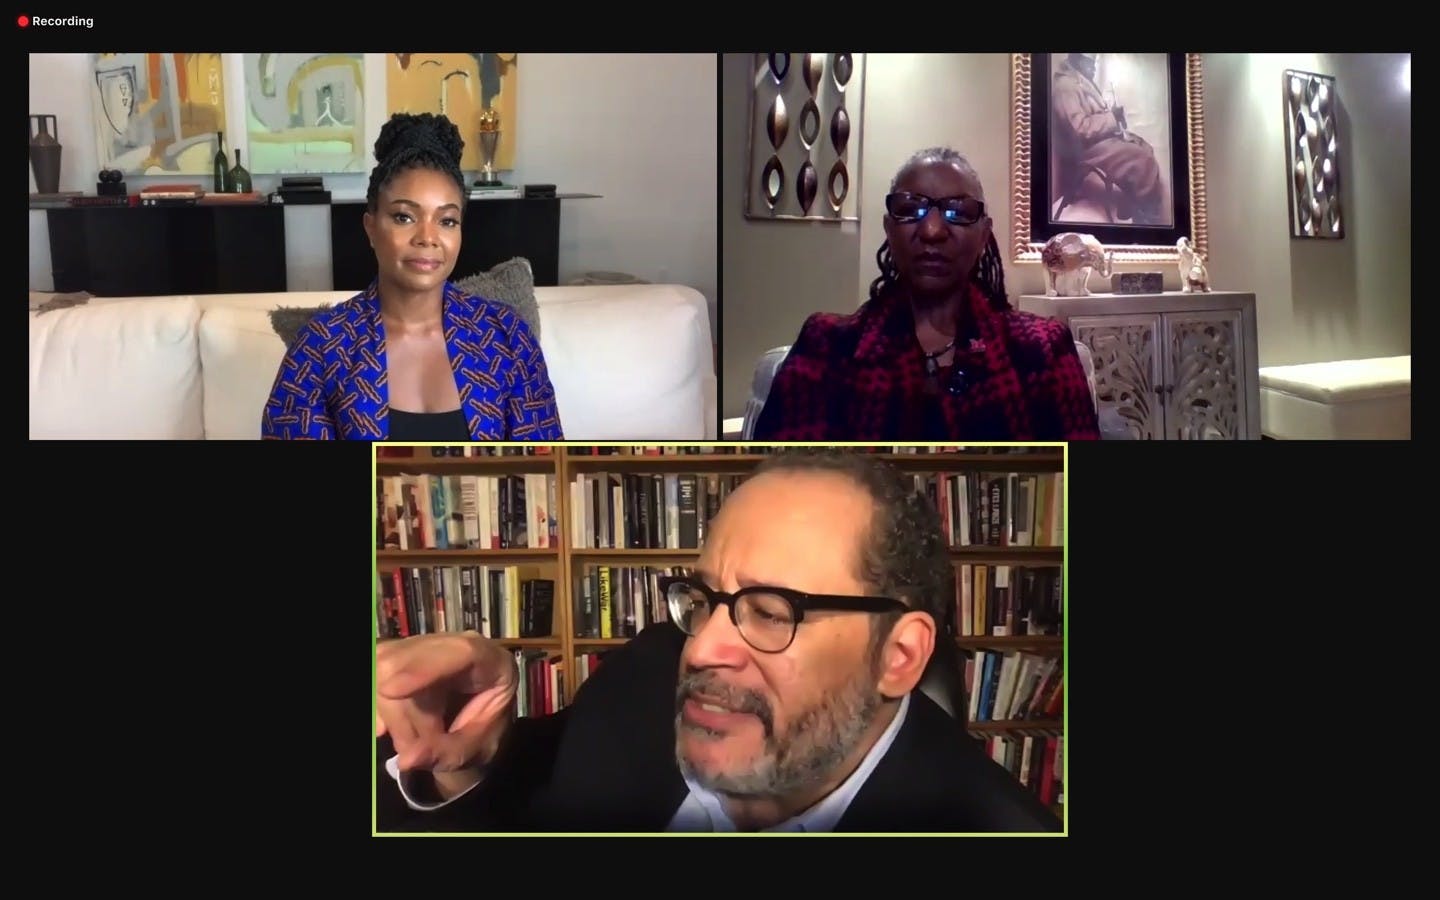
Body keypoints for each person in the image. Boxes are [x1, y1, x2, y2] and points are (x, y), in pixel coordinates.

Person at [375, 449, 1064, 833]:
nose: (702, 648)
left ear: (899, 656)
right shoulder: (644, 674)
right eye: (706, 600)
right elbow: (526, 796)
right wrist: (466, 757)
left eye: (771, 611)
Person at [750, 147, 1100, 441]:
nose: (932, 230)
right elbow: (785, 489)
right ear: (889, 229)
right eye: (909, 209)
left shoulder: (1042, 348)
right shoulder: (826, 345)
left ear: (983, 237)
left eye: (958, 212)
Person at [261, 112, 563, 441]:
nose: (428, 237)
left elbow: (543, 474)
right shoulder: (320, 347)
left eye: (447, 221)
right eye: (404, 217)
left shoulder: (507, 337)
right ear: (371, 227)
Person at [1051, 53, 1167, 225]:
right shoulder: (1065, 87)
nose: (1093, 67)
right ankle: (1147, 221)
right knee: (1142, 160)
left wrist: (1112, 114)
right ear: (1078, 60)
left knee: (1144, 146)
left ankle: (1133, 205)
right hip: (1086, 151)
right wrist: (1111, 118)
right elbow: (1080, 129)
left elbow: (1091, 116)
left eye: (1094, 63)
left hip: (1098, 143)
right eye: (1090, 64)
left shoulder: (1080, 80)